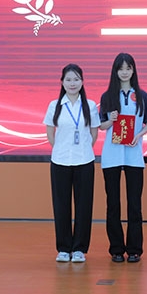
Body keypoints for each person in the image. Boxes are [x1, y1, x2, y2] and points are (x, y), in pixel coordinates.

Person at [99, 53, 147, 263]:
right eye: (120, 68)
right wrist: (110, 120)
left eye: (128, 68)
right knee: (113, 203)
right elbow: (101, 125)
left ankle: (134, 249)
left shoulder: (142, 96)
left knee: (134, 204)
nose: (124, 72)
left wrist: (138, 136)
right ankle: (116, 249)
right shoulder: (107, 96)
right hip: (112, 155)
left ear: (133, 70)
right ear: (115, 71)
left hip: (134, 155)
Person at [43, 64, 100, 263]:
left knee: (84, 206)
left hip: (84, 160)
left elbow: (93, 133)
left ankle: (79, 249)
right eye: (68, 79)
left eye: (76, 79)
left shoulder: (90, 105)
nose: (72, 83)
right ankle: (63, 248)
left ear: (82, 82)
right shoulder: (55, 105)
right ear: (62, 82)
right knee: (61, 205)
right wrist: (60, 148)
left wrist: (82, 149)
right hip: (60, 161)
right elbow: (50, 132)